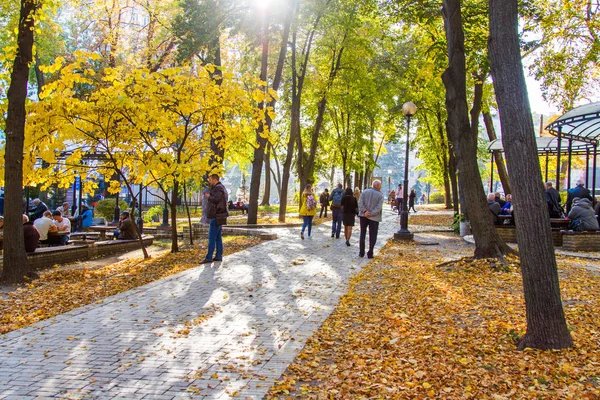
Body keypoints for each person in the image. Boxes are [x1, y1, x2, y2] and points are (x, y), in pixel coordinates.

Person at [201, 174, 229, 264]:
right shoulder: (221, 187)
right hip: (219, 215)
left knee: (212, 237)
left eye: (210, 179)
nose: (209, 181)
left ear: (214, 179)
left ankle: (209, 257)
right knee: (217, 237)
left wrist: (208, 196)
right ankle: (218, 256)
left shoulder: (218, 188)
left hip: (216, 216)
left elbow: (216, 199)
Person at [358, 180, 384, 259]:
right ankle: (370, 252)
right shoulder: (380, 195)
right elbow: (379, 207)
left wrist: (365, 211)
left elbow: (360, 203)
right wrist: (371, 213)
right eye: (380, 185)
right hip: (374, 218)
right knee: (373, 235)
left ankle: (361, 252)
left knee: (362, 233)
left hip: (363, 216)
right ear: (378, 186)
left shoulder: (364, 192)